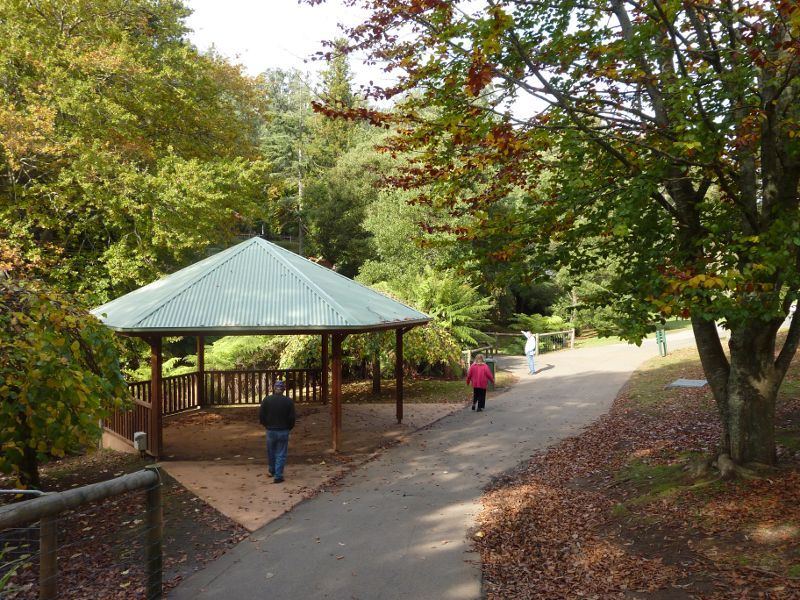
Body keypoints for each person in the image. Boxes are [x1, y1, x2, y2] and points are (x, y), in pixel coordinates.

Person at [259, 380, 295, 483]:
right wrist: (289, 427)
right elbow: (292, 417)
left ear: (274, 389)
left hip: (270, 430)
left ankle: (272, 470)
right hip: (283, 430)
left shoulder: (266, 400)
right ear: (283, 390)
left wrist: (266, 425)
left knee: (271, 451)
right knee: (281, 453)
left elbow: (261, 416)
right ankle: (278, 475)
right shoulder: (288, 401)